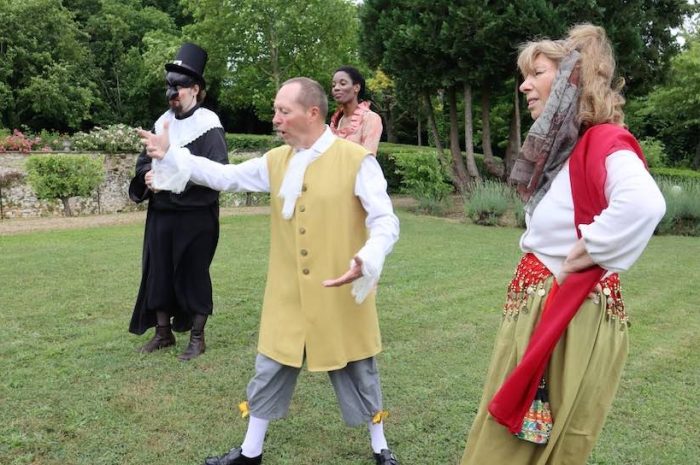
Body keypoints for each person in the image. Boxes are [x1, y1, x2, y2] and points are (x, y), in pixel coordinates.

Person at [138, 77, 401, 465]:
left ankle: (381, 448)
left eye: (283, 110)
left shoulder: (356, 161)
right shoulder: (276, 161)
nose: (275, 118)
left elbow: (385, 221)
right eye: (276, 110)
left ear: (312, 113)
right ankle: (250, 453)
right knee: (270, 368)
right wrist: (172, 153)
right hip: (287, 293)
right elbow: (223, 176)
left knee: (360, 368)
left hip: (339, 291)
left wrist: (368, 257)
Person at [460, 24, 666, 465]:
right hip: (545, 312)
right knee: (516, 446)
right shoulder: (562, 153)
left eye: (536, 72)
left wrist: (590, 248)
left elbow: (644, 202)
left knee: (520, 453)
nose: (524, 85)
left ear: (572, 78)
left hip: (565, 316)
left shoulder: (603, 141)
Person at [128, 43, 228, 361]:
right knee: (157, 269)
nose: (172, 91)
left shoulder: (209, 125)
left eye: (179, 85)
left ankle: (197, 338)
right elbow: (145, 163)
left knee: (192, 272)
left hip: (195, 214)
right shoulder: (161, 123)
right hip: (162, 212)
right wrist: (146, 176)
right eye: (169, 84)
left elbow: (217, 171)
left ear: (195, 89)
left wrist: (177, 177)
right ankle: (162, 333)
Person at [330, 66, 383, 154]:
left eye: (342, 83)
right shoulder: (335, 121)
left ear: (356, 88)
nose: (336, 88)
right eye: (333, 85)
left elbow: (368, 158)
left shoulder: (370, 118)